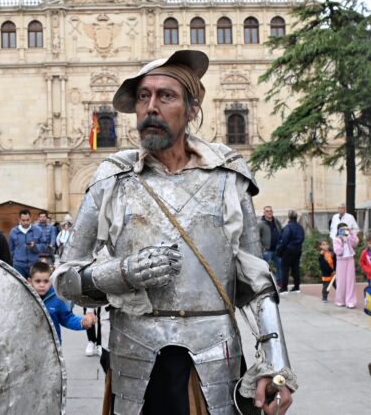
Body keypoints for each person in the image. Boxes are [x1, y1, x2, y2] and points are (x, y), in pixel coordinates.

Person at [53, 50, 295, 414]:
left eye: (166, 96)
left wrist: (276, 367)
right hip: (136, 364)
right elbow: (65, 279)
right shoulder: (111, 179)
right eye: (143, 96)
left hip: (214, 362)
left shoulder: (227, 177)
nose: (151, 106)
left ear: (191, 109)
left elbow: (257, 283)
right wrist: (122, 273)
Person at [28, 261, 95, 343]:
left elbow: (67, 318)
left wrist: (82, 322)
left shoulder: (56, 298)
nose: (42, 285)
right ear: (30, 281)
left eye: (46, 281)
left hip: (52, 347)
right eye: (38, 281)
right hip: (29, 345)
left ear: (51, 281)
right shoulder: (25, 298)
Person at [8, 209, 45, 278]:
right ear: (19, 220)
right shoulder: (14, 231)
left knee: (34, 287)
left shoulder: (38, 230)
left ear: (31, 219)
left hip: (34, 265)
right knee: (20, 286)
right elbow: (10, 249)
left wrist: (35, 246)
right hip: (19, 265)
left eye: (28, 220)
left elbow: (44, 245)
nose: (26, 222)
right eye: (23, 220)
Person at [276, 210, 305, 294]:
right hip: (298, 250)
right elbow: (302, 238)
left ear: (289, 217)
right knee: (296, 268)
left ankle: (284, 288)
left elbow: (284, 240)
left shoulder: (288, 227)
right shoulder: (300, 227)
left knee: (285, 269)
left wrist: (279, 250)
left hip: (288, 250)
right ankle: (297, 287)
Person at [332, 222, 359, 308]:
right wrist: (343, 242)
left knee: (350, 281)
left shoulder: (349, 238)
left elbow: (356, 242)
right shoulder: (336, 239)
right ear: (339, 230)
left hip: (350, 259)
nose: (344, 231)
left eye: (345, 229)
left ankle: (350, 301)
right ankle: (340, 300)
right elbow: (338, 252)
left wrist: (351, 232)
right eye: (342, 229)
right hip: (341, 261)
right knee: (341, 281)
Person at [258, 205, 283, 288]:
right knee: (265, 268)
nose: (269, 213)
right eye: (267, 211)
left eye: (271, 211)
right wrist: (262, 247)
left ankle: (278, 283)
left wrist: (280, 243)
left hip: (277, 250)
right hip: (267, 250)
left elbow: (281, 232)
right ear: (264, 213)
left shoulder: (276, 222)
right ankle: (265, 284)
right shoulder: (260, 223)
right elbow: (257, 237)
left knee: (280, 266)